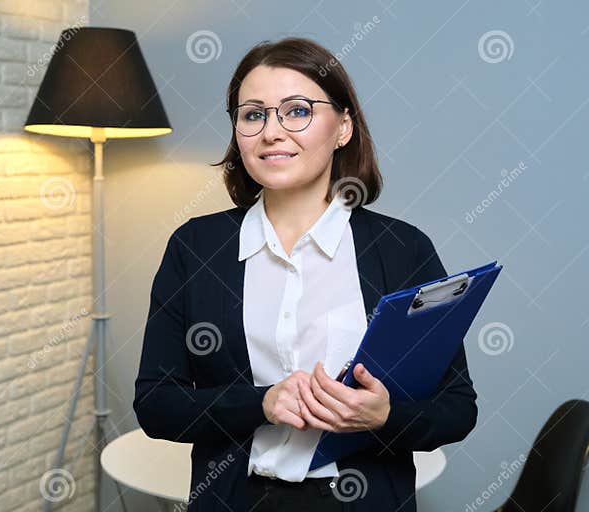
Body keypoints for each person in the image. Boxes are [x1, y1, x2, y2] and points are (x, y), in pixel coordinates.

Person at [133, 36, 478, 512]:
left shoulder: (402, 249)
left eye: (297, 110)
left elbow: (457, 409)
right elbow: (156, 404)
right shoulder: (195, 248)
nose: (271, 132)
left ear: (343, 128)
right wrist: (262, 404)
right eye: (253, 114)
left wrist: (383, 416)